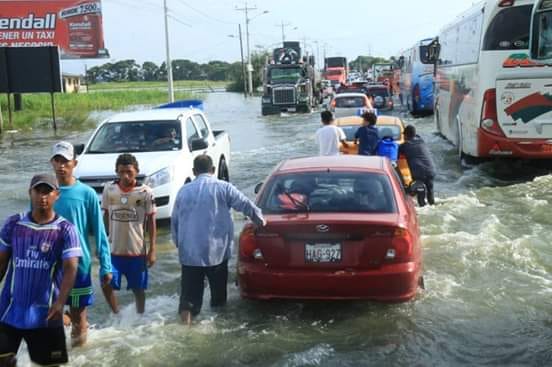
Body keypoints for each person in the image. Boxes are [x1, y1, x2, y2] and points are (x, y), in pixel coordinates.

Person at [171, 155, 266, 325]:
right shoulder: (224, 188)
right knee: (219, 299)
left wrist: (180, 245)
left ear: (194, 172)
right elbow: (246, 205)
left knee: (188, 300)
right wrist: (262, 222)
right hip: (217, 253)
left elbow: (175, 222)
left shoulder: (183, 191)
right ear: (213, 170)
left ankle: (186, 327)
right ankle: (218, 326)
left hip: (190, 255)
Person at [0, 174, 81, 366]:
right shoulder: (14, 224)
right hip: (9, 311)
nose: (42, 196)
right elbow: (1, 263)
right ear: (30, 193)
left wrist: (61, 303)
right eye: (38, 191)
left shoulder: (66, 230)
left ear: (57, 195)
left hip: (46, 315)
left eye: (48, 191)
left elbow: (71, 269)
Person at [50, 141, 112, 347]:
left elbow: (100, 232)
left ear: (74, 163)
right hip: (50, 266)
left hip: (79, 267)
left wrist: (106, 265)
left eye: (65, 161)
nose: (61, 166)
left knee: (78, 318)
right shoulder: (44, 193)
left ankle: (79, 357)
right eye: (57, 161)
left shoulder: (87, 194)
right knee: (49, 315)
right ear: (52, 163)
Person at [101, 154, 156, 314]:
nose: (125, 176)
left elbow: (151, 221)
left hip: (137, 252)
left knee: (138, 289)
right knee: (106, 282)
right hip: (113, 252)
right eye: (121, 172)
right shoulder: (109, 189)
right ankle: (116, 313)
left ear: (136, 171)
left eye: (129, 172)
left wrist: (152, 250)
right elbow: (105, 216)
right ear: (116, 172)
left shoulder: (145, 192)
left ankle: (140, 317)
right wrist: (103, 242)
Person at [399, 125, 436, 206]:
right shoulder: (422, 142)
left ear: (405, 135)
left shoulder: (404, 146)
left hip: (419, 173)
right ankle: (432, 204)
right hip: (431, 171)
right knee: (430, 191)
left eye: (404, 135)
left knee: (420, 191)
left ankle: (422, 206)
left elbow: (396, 159)